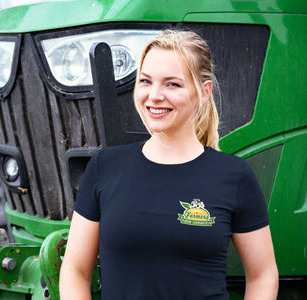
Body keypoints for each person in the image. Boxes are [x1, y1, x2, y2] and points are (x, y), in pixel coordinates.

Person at [59, 29, 279, 299]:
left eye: (172, 84)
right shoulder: (105, 167)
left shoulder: (234, 176)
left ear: (203, 93)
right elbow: (75, 272)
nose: (154, 95)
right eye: (145, 81)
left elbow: (263, 275)